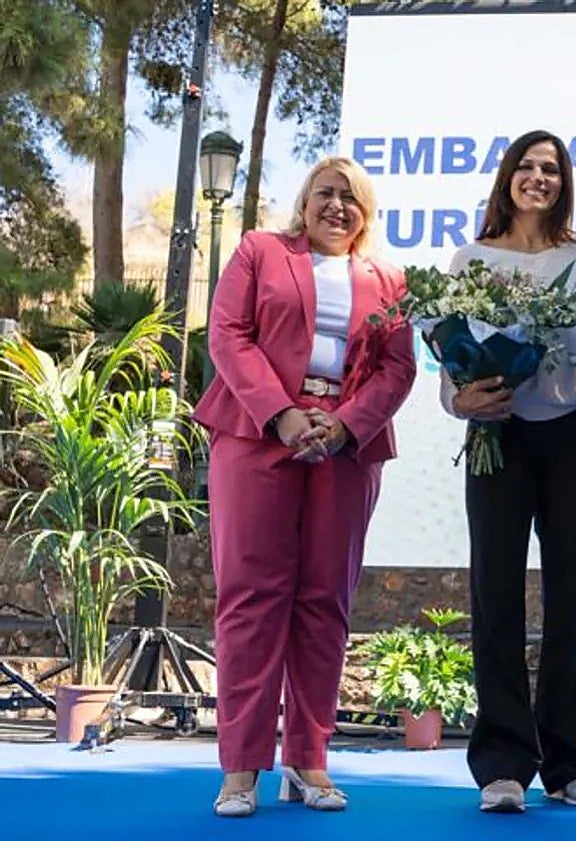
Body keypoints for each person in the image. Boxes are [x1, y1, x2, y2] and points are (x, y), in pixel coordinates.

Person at [193, 156, 417, 817]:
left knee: (326, 600)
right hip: (256, 435)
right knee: (251, 600)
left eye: (351, 198)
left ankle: (308, 761)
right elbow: (229, 335)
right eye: (326, 194)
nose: (337, 207)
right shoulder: (261, 251)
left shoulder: (387, 277)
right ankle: (240, 768)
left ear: (365, 212)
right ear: (305, 200)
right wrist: (282, 413)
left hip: (345, 450)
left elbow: (398, 367)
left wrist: (344, 425)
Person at [438, 129, 576, 814]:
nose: (538, 177)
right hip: (498, 435)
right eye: (527, 166)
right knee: (496, 593)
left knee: (570, 596)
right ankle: (504, 762)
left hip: (574, 434)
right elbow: (449, 358)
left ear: (564, 183)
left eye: (551, 169)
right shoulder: (471, 258)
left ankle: (568, 762)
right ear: (507, 177)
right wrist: (462, 399)